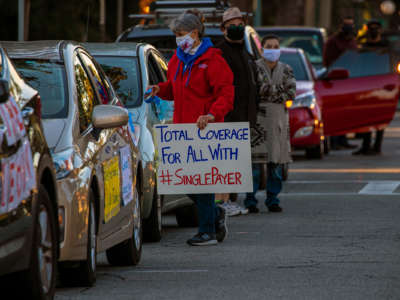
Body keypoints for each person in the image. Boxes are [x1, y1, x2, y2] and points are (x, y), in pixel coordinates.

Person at [147, 10, 234, 246]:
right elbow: (174, 88)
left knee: (202, 183)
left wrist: (212, 114)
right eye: (176, 34)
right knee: (186, 182)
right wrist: (160, 89)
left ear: (195, 33)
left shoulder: (213, 60)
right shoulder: (177, 58)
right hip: (182, 131)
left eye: (181, 34)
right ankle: (215, 216)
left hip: (205, 130)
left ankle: (207, 231)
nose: (178, 38)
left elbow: (226, 93)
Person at [245, 34, 296, 213]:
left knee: (276, 165)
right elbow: (256, 91)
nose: (272, 49)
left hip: (279, 122)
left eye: (276, 46)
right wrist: (276, 91)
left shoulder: (287, 69)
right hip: (258, 121)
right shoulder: (254, 68)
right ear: (262, 48)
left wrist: (268, 91)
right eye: (269, 46)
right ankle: (250, 200)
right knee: (254, 166)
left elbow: (291, 92)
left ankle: (272, 200)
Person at [215, 6, 259, 215]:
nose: (237, 28)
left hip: (245, 118)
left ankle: (230, 199)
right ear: (223, 29)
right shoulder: (220, 52)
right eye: (232, 25)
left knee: (235, 163)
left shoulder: (245, 52)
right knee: (224, 163)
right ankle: (222, 202)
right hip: (228, 117)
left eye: (240, 24)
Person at [353, 19, 389, 156]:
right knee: (365, 115)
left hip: (383, 85)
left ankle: (377, 145)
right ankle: (365, 145)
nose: (374, 31)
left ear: (380, 30)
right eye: (371, 28)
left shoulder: (386, 47)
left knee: (380, 115)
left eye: (376, 28)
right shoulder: (363, 47)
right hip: (366, 85)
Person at [323, 16, 358, 150]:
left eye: (351, 25)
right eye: (347, 25)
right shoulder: (333, 41)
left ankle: (343, 139)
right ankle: (334, 140)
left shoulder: (352, 41)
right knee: (336, 111)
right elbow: (327, 61)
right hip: (336, 80)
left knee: (347, 112)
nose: (349, 28)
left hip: (350, 80)